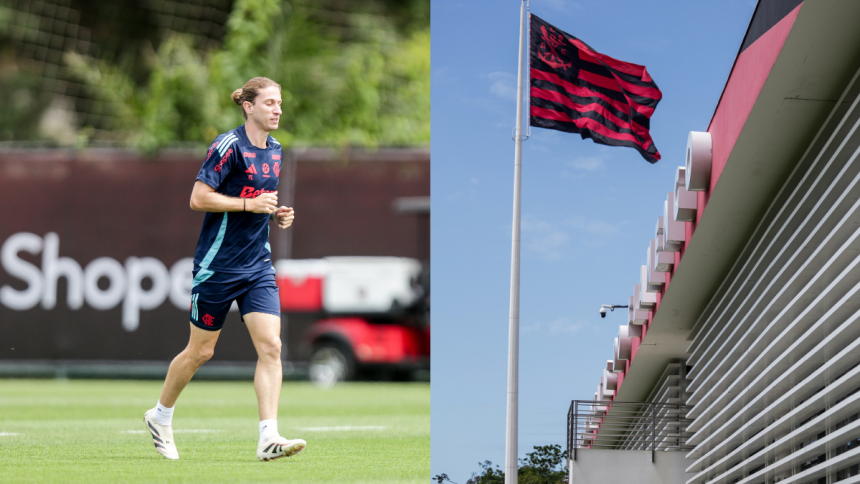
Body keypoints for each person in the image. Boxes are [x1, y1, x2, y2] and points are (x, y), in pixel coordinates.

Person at [143, 77, 305, 462]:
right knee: (201, 352)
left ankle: (269, 437)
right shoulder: (227, 146)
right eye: (269, 102)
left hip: (258, 266)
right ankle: (160, 416)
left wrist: (275, 216)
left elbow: (257, 203)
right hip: (217, 267)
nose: (278, 109)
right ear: (249, 106)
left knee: (271, 346)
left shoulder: (277, 150)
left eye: (280, 102)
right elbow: (199, 198)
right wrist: (250, 206)